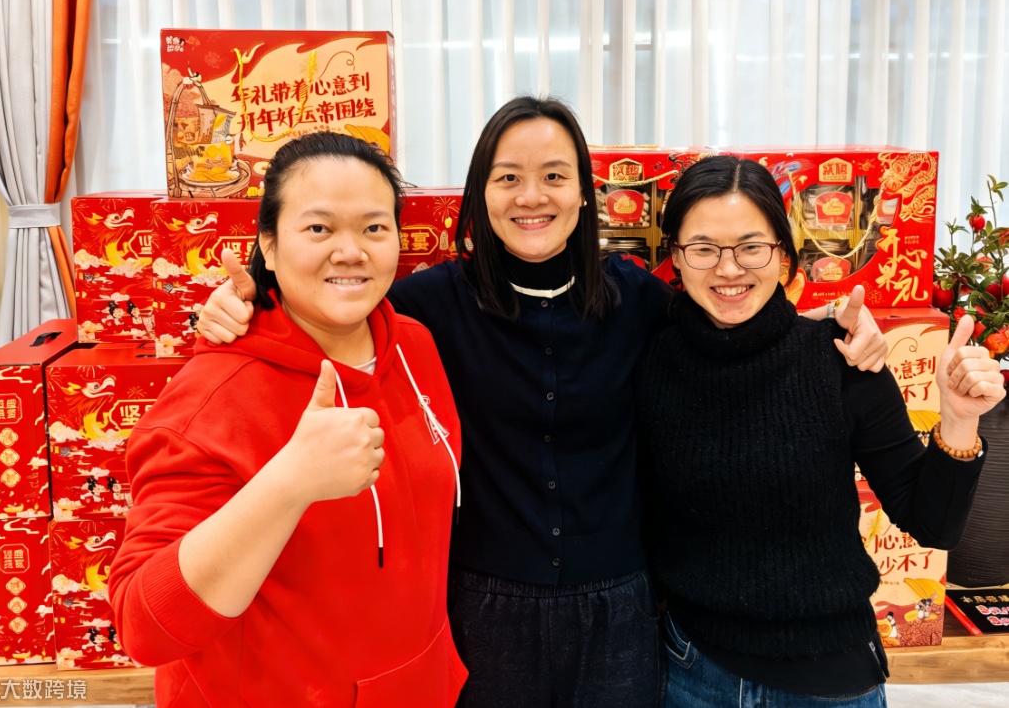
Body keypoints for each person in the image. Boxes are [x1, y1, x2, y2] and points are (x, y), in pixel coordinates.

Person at [196, 97, 889, 706]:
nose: (532, 196)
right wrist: (244, 302)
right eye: (508, 177)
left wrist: (831, 329)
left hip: (619, 606)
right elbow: (331, 310)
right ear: (481, 193)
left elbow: (733, 322)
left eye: (555, 176)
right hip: (484, 605)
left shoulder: (637, 299)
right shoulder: (426, 304)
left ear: (585, 192)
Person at [109, 132, 467, 707]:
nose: (351, 251)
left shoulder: (415, 347)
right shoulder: (213, 395)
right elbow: (145, 628)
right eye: (319, 228)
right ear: (269, 247)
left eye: (374, 227)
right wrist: (288, 483)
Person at [635, 155, 1004, 707]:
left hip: (832, 680)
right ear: (677, 257)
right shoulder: (654, 363)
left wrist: (958, 418)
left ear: (784, 255)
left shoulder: (840, 359)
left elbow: (932, 524)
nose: (728, 269)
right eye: (704, 248)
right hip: (694, 669)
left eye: (751, 247)